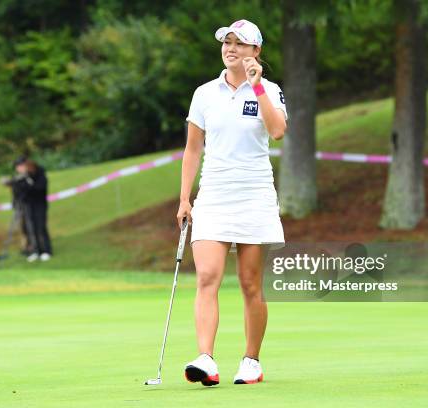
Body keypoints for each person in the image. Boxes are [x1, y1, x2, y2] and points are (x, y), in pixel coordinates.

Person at [177, 19, 287, 386]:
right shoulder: (204, 93)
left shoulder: (269, 89)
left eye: (240, 44)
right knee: (207, 276)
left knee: (250, 283)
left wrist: (256, 86)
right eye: (227, 42)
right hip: (214, 194)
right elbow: (193, 150)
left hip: (254, 195)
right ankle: (206, 359)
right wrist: (184, 198)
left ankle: (251, 360)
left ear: (255, 51)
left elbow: (277, 131)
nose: (230, 49)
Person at [8, 156, 53, 262]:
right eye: (18, 167)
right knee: (28, 228)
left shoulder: (38, 173)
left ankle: (45, 250)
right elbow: (17, 194)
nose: (20, 168)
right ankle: (33, 250)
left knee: (40, 226)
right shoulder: (18, 178)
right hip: (26, 206)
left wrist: (28, 184)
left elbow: (40, 188)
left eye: (22, 166)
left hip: (39, 204)